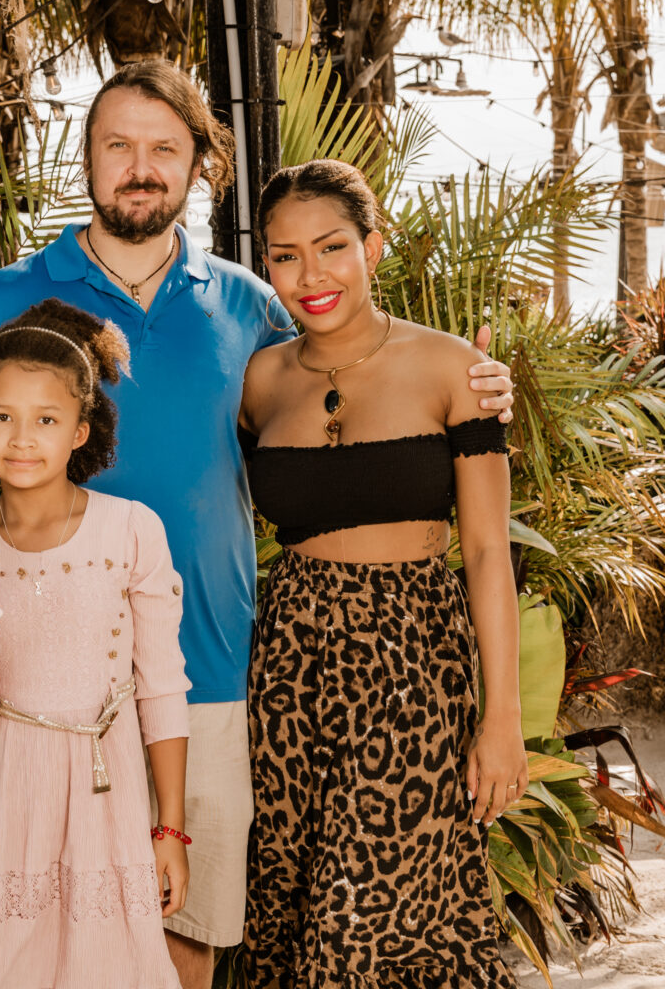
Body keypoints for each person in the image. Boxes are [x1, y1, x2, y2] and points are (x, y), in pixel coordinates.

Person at [0, 61, 516, 989]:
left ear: (199, 166)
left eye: (164, 148)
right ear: (88, 159)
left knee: (188, 938)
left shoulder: (252, 309)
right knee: (36, 948)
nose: (140, 168)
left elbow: (345, 387)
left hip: (217, 677)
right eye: (118, 146)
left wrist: (475, 388)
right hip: (41, 689)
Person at [239, 159, 528, 988]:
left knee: (369, 910)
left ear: (373, 245)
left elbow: (483, 552)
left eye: (332, 247)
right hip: (290, 669)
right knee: (293, 907)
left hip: (412, 665)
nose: (311, 275)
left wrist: (499, 720)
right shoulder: (258, 382)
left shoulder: (453, 373)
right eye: (286, 255)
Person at [0, 300, 191, 989]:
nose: (23, 438)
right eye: (2, 417)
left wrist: (170, 830)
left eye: (46, 419)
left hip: (106, 801)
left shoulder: (132, 532)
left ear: (80, 430)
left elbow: (161, 686)